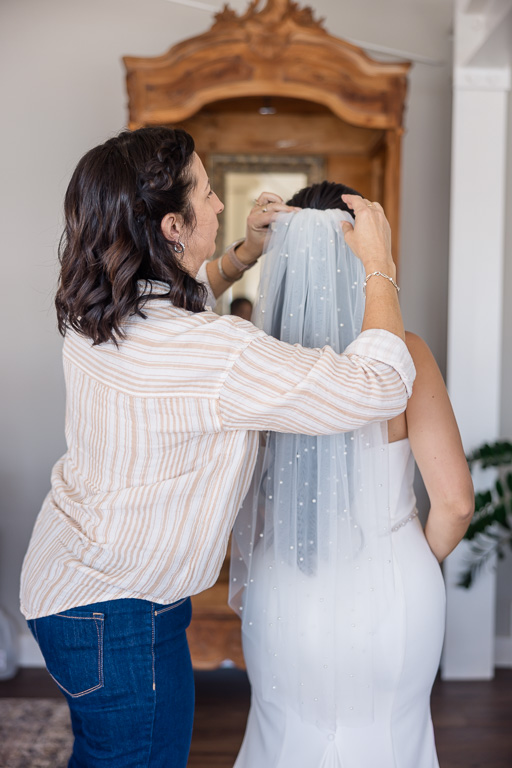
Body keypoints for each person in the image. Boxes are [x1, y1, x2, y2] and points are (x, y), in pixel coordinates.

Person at [20, 129, 415, 768]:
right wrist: (379, 265)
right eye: (206, 192)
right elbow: (379, 387)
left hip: (76, 585)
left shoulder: (97, 308)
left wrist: (244, 255)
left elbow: (189, 289)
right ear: (173, 224)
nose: (222, 205)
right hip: (119, 615)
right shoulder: (212, 352)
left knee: (109, 752)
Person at [230, 182, 474, 768]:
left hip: (286, 583)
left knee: (284, 735)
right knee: (391, 739)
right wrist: (404, 555)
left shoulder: (256, 355)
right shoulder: (406, 353)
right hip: (393, 590)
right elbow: (457, 505)